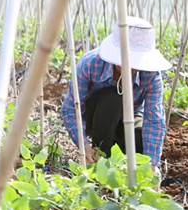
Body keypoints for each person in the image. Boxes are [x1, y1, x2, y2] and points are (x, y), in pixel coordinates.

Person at [62, 16, 171, 169]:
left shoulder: (151, 75)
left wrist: (152, 165)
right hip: (96, 116)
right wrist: (83, 145)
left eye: (136, 61)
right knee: (112, 98)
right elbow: (70, 109)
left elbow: (154, 120)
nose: (130, 66)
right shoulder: (89, 64)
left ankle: (121, 161)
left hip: (128, 118)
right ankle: (100, 156)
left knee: (140, 139)